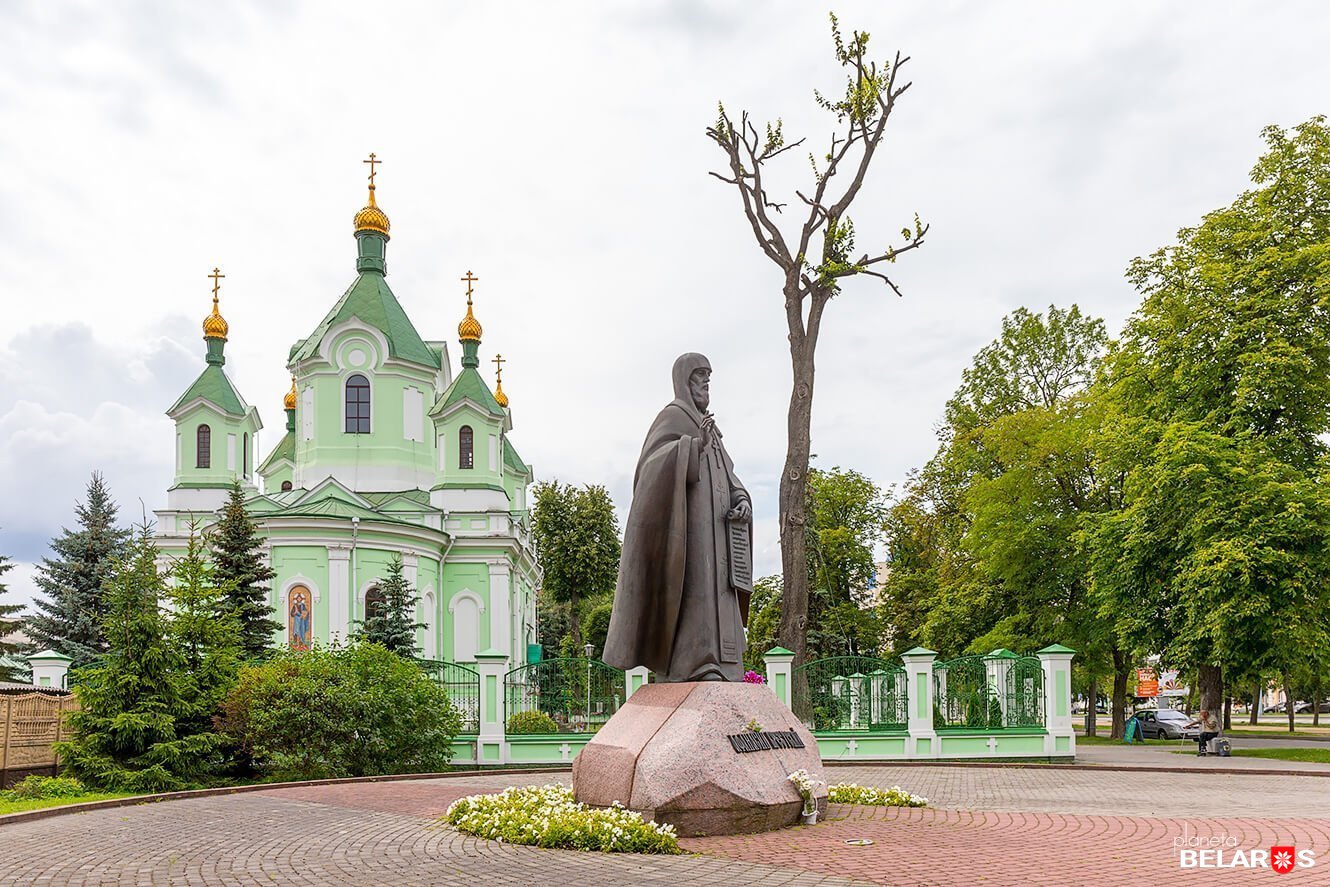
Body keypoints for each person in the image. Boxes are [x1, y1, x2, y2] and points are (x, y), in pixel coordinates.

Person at [603, 353, 753, 682]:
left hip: (720, 533)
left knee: (719, 593)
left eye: (708, 378)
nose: (706, 384)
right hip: (691, 534)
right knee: (694, 590)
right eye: (700, 377)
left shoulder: (710, 427)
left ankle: (724, 666)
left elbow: (730, 477)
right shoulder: (672, 418)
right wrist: (691, 448)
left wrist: (742, 500)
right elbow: (649, 468)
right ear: (685, 382)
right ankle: (695, 664)